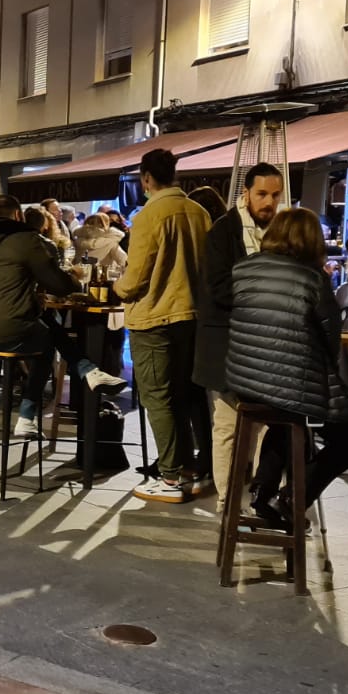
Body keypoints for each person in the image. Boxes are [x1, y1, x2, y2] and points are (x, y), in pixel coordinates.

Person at [226, 207, 348, 525]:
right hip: (289, 388)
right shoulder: (314, 279)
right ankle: (292, 499)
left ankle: (262, 493)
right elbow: (330, 343)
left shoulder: (245, 269)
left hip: (244, 384)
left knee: (285, 416)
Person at [0, 194, 128, 437]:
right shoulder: (25, 240)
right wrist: (75, 277)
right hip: (5, 327)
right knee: (46, 342)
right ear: (18, 215)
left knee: (43, 322)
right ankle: (27, 416)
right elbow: (59, 286)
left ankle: (88, 370)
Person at [113, 149, 213, 504]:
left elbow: (136, 277)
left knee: (158, 397)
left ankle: (170, 477)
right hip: (193, 317)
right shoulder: (199, 213)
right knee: (189, 394)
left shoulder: (148, 216)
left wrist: (116, 287)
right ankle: (197, 469)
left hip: (155, 317)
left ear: (146, 178)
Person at [194, 162, 285, 512]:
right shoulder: (222, 232)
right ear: (245, 193)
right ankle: (227, 503)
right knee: (228, 426)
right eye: (262, 194)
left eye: (275, 195)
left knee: (268, 428)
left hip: (269, 348)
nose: (269, 202)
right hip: (227, 347)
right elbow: (217, 288)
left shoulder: (280, 230)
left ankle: (264, 499)